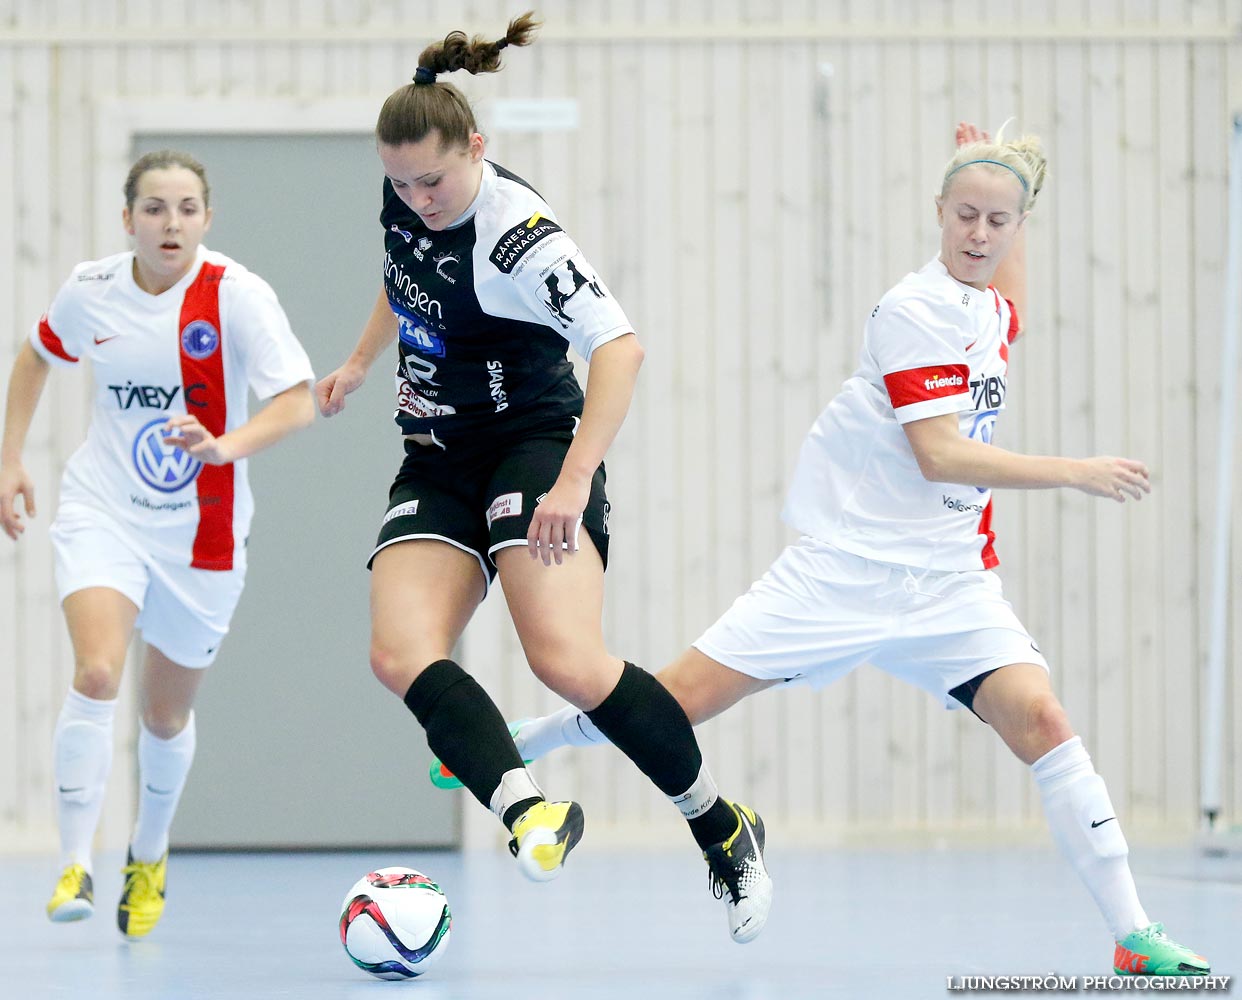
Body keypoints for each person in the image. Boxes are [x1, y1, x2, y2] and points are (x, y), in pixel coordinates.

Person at [431, 122, 1211, 976]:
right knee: (676, 704)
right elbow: (939, 452)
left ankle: (1132, 931)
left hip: (951, 584)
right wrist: (1076, 471)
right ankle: (533, 738)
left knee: (1045, 720)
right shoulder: (914, 310)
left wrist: (1005, 169)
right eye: (966, 216)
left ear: (1020, 227)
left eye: (999, 221)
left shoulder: (991, 305)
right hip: (840, 572)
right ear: (939, 214)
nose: (980, 235)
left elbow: (1010, 300)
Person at [313, 12, 770, 943]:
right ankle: (529, 812)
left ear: (476, 148)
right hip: (437, 453)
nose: (417, 198)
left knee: (563, 660)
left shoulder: (521, 236)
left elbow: (622, 349)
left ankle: (722, 827)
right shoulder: (411, 195)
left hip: (532, 441)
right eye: (399, 182)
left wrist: (571, 482)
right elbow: (403, 276)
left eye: (433, 180)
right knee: (398, 652)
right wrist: (365, 361)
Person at [0, 150, 316, 938]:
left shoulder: (236, 298)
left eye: (184, 208)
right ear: (127, 219)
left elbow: (297, 402)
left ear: (206, 218)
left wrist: (226, 445)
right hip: (104, 508)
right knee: (98, 670)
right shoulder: (92, 288)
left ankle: (148, 850)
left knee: (164, 718)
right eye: (153, 208)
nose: (168, 223)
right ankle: (75, 862)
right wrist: (8, 456)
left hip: (201, 537)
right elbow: (38, 355)